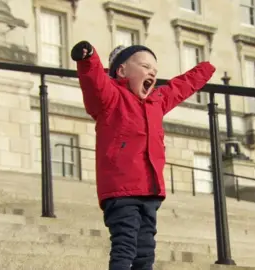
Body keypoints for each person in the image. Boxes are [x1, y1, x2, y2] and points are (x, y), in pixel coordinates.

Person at [70, 40, 216, 270]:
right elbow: (94, 82)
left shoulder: (156, 101)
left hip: (150, 189)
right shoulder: (110, 98)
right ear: (122, 71)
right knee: (125, 245)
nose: (151, 73)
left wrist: (206, 68)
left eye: (155, 71)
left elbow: (180, 87)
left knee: (145, 252)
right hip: (121, 189)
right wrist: (88, 59)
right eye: (145, 66)